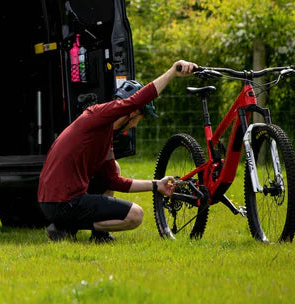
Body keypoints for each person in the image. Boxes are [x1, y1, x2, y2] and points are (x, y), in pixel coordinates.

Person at [37, 60, 197, 242]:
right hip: (63, 201)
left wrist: (157, 185)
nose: (136, 124)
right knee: (135, 215)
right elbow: (137, 100)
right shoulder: (99, 114)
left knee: (115, 168)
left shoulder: (104, 133)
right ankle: (67, 226)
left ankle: (97, 235)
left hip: (52, 201)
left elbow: (114, 181)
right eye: (140, 118)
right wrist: (171, 72)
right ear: (132, 113)